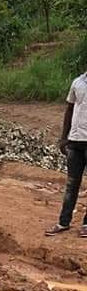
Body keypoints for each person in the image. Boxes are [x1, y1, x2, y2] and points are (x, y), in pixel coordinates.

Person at [46, 70, 87, 237]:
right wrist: (64, 138)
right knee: (71, 184)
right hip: (75, 142)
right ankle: (63, 222)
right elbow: (69, 110)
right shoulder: (77, 82)